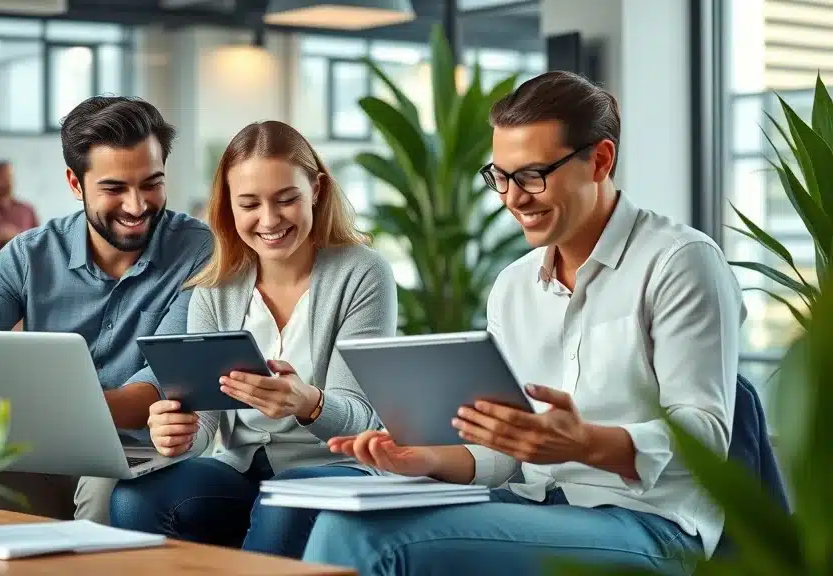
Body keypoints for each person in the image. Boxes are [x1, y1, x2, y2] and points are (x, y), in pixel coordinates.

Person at [301, 71, 745, 575]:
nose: (513, 198)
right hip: (533, 507)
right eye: (501, 177)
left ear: (600, 160)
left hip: (649, 524)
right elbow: (504, 456)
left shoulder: (680, 262)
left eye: (533, 175)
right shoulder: (514, 286)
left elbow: (705, 436)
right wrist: (425, 459)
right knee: (337, 520)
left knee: (375, 542)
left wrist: (585, 443)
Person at [109, 120, 398, 559]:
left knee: (281, 503)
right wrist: (175, 431)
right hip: (242, 470)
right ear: (229, 205)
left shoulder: (362, 273)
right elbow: (204, 422)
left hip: (334, 470)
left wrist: (308, 403)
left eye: (287, 200)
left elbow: (362, 419)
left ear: (316, 190)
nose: (269, 220)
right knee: (134, 497)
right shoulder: (215, 285)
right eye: (250, 204)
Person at [0, 96, 213, 524]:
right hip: (37, 444)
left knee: (102, 489)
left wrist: (29, 408)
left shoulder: (198, 250)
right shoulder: (28, 255)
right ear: (76, 183)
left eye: (151, 183)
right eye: (114, 188)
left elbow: (160, 387)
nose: (136, 205)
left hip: (140, 447)